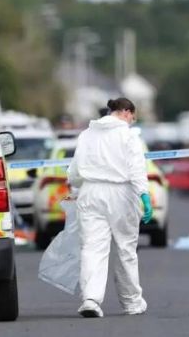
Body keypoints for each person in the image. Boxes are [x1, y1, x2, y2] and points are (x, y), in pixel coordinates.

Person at [67, 97, 152, 318]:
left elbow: (74, 171)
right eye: (133, 116)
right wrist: (144, 196)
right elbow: (136, 169)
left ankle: (91, 300)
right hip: (121, 194)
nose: (132, 121)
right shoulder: (128, 136)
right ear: (125, 112)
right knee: (125, 249)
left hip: (91, 193)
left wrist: (77, 190)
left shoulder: (86, 135)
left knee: (92, 248)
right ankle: (132, 302)